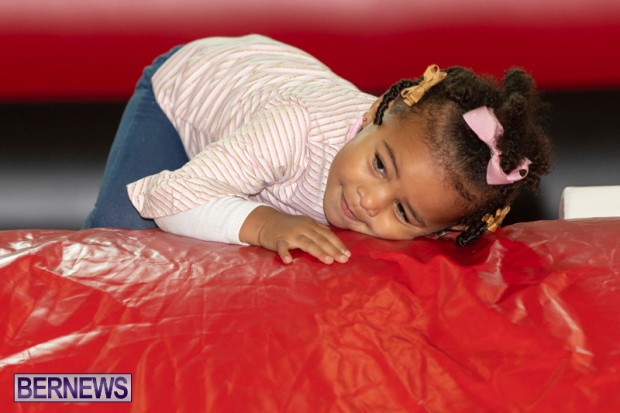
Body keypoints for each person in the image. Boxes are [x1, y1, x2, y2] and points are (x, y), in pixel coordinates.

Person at [83, 34, 552, 264]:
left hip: (270, 103)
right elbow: (171, 197)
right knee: (120, 233)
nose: (369, 200)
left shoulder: (426, 181)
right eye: (379, 165)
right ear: (375, 113)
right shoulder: (295, 128)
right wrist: (265, 224)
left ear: (445, 229)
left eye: (403, 212)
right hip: (191, 84)